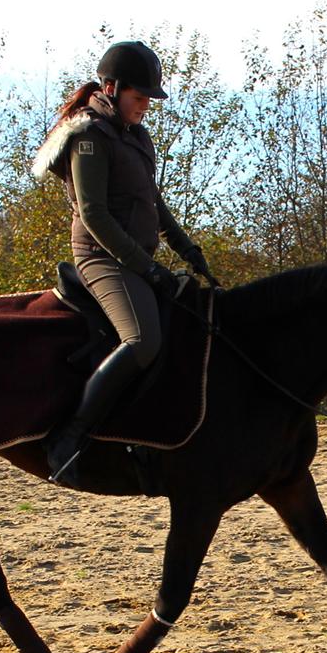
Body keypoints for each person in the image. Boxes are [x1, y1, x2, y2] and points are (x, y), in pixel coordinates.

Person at [32, 40, 214, 486]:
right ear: (111, 88)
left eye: (150, 100)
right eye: (139, 98)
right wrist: (148, 269)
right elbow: (94, 215)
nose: (145, 107)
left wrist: (186, 248)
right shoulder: (89, 135)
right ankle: (68, 438)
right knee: (142, 339)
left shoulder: (135, 136)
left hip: (135, 259)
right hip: (101, 258)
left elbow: (153, 202)